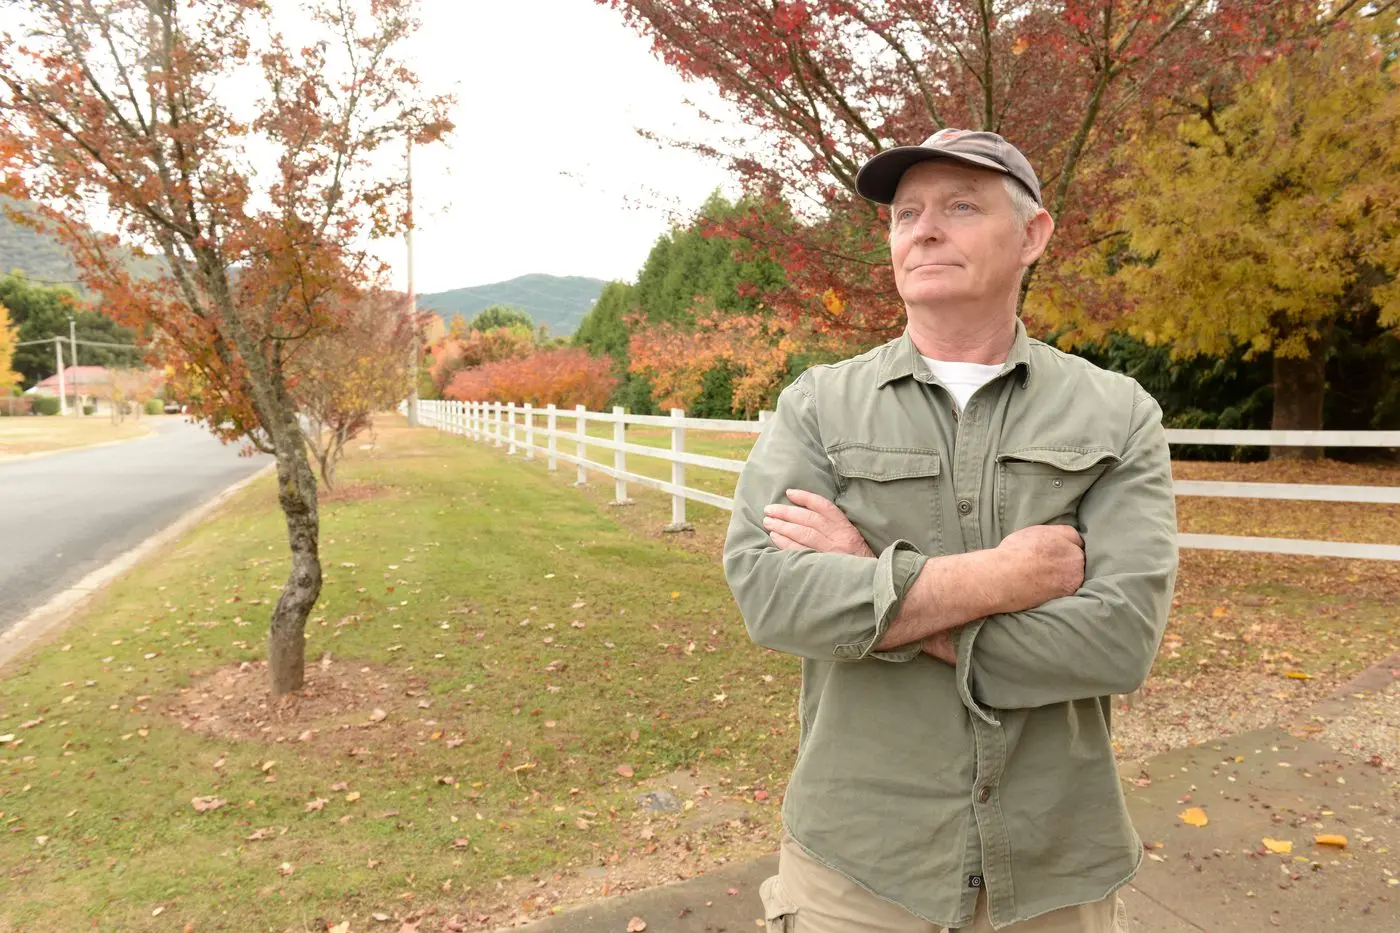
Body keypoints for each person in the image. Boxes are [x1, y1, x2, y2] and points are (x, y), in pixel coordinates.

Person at [722, 129, 1179, 933]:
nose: (924, 229)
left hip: (1054, 874)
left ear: (1033, 234)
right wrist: (1002, 579)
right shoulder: (819, 405)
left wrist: (870, 580)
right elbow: (771, 597)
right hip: (857, 875)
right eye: (906, 214)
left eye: (961, 206)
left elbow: (1117, 642)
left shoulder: (1117, 412)